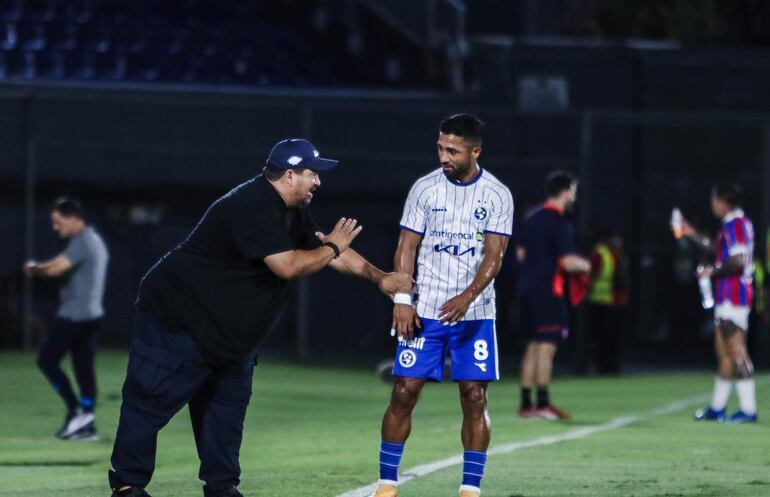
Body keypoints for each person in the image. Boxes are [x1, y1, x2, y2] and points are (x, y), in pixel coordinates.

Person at [108, 138, 411, 497]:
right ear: (289, 175)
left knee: (226, 411)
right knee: (150, 399)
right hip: (179, 318)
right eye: (312, 173)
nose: (318, 181)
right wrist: (333, 246)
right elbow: (289, 265)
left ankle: (222, 488)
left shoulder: (291, 209)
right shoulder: (252, 205)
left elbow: (322, 251)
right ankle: (128, 485)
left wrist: (379, 277)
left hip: (230, 334)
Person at [370, 114, 513, 497]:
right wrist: (402, 300)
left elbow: (494, 257)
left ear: (475, 151)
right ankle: (386, 483)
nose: (443, 156)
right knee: (403, 391)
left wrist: (468, 296)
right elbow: (406, 247)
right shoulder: (424, 189)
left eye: (452, 150)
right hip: (426, 309)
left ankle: (470, 488)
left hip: (476, 314)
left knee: (474, 395)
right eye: (440, 147)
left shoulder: (497, 195)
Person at [24, 197, 109, 440]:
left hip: (75, 315)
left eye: (58, 221)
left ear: (74, 219)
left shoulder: (83, 241)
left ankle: (75, 411)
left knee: (46, 360)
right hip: (91, 316)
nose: (55, 226)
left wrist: (34, 268)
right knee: (83, 367)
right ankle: (86, 421)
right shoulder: (93, 239)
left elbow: (55, 269)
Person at [680, 183, 758, 423]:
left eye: (714, 200)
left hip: (734, 296)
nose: (712, 204)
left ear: (724, 202)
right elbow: (720, 253)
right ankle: (717, 407)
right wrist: (692, 233)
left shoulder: (736, 224)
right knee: (723, 352)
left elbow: (737, 260)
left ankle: (748, 409)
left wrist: (712, 271)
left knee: (737, 352)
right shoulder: (732, 224)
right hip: (727, 295)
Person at [516, 171, 590, 420]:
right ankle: (544, 403)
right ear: (567, 191)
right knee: (547, 347)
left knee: (532, 346)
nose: (575, 196)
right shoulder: (559, 221)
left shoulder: (532, 217)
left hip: (526, 289)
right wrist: (588, 266)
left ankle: (527, 405)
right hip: (548, 290)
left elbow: (520, 255)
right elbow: (568, 262)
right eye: (574, 191)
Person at [586, 230, 629, 374]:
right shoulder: (601, 253)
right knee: (603, 337)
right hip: (601, 302)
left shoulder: (619, 255)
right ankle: (603, 367)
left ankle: (613, 366)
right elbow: (591, 274)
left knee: (615, 337)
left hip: (616, 302)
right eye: (616, 239)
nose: (619, 242)